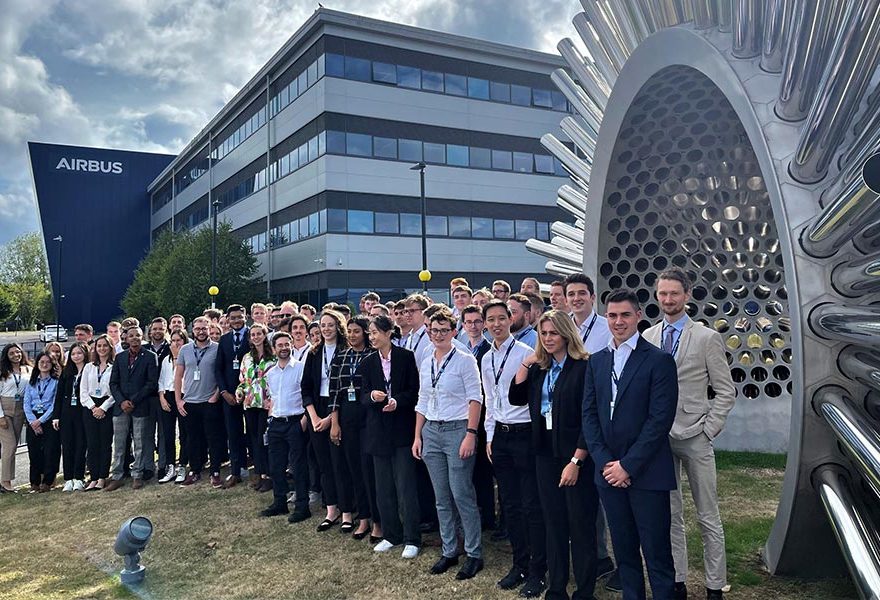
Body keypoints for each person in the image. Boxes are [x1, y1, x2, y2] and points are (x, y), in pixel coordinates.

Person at [644, 269, 736, 600]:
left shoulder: (707, 338)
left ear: (687, 295)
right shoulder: (649, 337)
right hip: (659, 439)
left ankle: (715, 586)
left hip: (696, 435)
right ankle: (677, 581)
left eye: (674, 293)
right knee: (670, 514)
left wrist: (710, 428)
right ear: (657, 296)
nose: (668, 299)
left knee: (708, 514)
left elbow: (726, 391)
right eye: (663, 294)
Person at [582, 288, 678, 600]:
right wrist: (605, 463)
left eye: (625, 314)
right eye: (612, 315)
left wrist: (628, 465)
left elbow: (659, 421)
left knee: (657, 553)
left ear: (638, 315)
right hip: (608, 473)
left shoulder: (659, 361)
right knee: (624, 553)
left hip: (646, 473)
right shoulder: (596, 361)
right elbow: (590, 416)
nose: (618, 321)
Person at [510, 310, 596, 600]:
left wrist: (576, 460)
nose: (548, 338)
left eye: (553, 333)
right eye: (543, 333)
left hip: (575, 457)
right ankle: (556, 587)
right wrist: (527, 362)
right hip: (545, 454)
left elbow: (590, 418)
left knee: (580, 525)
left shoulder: (584, 367)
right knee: (553, 522)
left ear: (566, 333)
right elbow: (516, 397)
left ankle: (584, 590)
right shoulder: (540, 369)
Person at [481, 300, 546, 597]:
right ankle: (518, 564)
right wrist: (490, 437)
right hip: (502, 438)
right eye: (490, 319)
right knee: (510, 505)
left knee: (532, 505)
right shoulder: (486, 358)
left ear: (511, 319)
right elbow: (490, 401)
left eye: (501, 318)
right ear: (485, 324)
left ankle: (538, 570)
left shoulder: (527, 355)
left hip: (525, 435)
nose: (496, 324)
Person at [413, 309, 484, 579]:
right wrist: (417, 435)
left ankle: (474, 553)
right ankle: (450, 549)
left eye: (444, 330)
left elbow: (475, 399)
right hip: (432, 429)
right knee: (441, 498)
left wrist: (470, 433)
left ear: (454, 331)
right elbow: (421, 400)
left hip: (457, 430)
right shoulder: (426, 360)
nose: (439, 334)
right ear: (428, 331)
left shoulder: (465, 360)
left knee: (461, 494)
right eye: (434, 330)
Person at [563, 272, 615, 583]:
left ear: (592, 297)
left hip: (601, 418)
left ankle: (610, 557)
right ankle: (593, 555)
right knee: (581, 497)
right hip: (570, 419)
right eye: (572, 294)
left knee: (605, 496)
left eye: (582, 293)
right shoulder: (563, 327)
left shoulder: (606, 328)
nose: (577, 299)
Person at [359, 315, 421, 557]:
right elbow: (361, 395)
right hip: (377, 432)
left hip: (402, 429)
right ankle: (391, 535)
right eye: (370, 333)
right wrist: (372, 397)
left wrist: (398, 401)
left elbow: (414, 391)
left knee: (405, 487)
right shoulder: (367, 362)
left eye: (375, 332)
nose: (371, 337)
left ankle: (412, 538)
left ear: (388, 333)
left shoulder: (406, 358)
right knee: (383, 488)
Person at [302, 309, 350, 532]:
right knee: (324, 464)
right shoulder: (313, 353)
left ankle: (347, 511)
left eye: (331, 324)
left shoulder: (346, 351)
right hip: (317, 410)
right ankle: (331, 510)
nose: (326, 329)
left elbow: (347, 388)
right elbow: (306, 388)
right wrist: (313, 416)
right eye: (323, 325)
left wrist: (332, 418)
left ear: (338, 326)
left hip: (339, 410)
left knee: (340, 464)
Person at [329, 316, 376, 539]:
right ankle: (363, 518)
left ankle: (376, 519)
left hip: (368, 417)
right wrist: (334, 422)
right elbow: (335, 392)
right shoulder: (341, 356)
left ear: (366, 332)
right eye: (349, 331)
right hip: (346, 417)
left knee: (369, 469)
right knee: (354, 469)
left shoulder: (373, 355)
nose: (352, 335)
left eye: (357, 331)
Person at [261, 332, 311, 524]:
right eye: (279, 345)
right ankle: (279, 502)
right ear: (274, 349)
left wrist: (304, 422)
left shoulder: (300, 368)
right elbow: (272, 398)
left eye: (286, 344)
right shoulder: (271, 373)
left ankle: (302, 506)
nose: (283, 347)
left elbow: (308, 395)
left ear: (291, 345)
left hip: (295, 422)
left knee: (298, 467)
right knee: (276, 466)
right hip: (276, 423)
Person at [104, 327, 159, 492]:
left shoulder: (150, 357)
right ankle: (117, 476)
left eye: (138, 336)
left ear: (142, 337)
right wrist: (121, 401)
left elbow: (151, 383)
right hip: (120, 407)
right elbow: (113, 383)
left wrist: (133, 401)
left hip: (140, 405)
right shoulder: (120, 358)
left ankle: (137, 474)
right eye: (131, 336)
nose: (134, 338)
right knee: (119, 444)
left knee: (140, 442)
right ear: (125, 338)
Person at [175, 316, 223, 487]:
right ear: (192, 330)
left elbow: (221, 375)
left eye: (204, 328)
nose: (201, 331)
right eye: (198, 329)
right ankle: (195, 471)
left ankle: (215, 471)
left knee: (213, 438)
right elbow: (178, 375)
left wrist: (216, 395)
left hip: (210, 400)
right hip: (189, 402)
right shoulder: (185, 350)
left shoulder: (218, 348)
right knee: (192, 439)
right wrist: (179, 400)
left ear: (210, 329)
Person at [459, 305, 495, 531]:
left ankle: (489, 517)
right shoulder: (461, 351)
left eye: (477, 321)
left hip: (484, 418)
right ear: (462, 325)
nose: (473, 326)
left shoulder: (489, 350)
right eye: (468, 322)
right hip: (465, 416)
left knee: (484, 472)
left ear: (484, 324)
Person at [237, 323, 276, 493]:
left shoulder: (273, 357)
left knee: (264, 439)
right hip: (250, 403)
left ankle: (269, 475)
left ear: (265, 335)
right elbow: (243, 380)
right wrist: (239, 392)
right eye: (252, 334)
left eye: (259, 334)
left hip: (266, 404)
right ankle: (259, 473)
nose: (256, 337)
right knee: (254, 440)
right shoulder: (246, 357)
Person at [215, 304, 250, 488]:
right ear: (228, 320)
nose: (236, 320)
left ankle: (258, 471)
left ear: (246, 316)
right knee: (233, 433)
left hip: (251, 395)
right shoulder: (224, 339)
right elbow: (218, 368)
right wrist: (224, 392)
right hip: (229, 395)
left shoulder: (255, 335)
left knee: (253, 433)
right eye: (233, 318)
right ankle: (236, 471)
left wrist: (247, 392)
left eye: (239, 316)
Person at [52, 342, 89, 492]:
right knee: (67, 446)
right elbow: (59, 396)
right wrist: (56, 416)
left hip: (83, 412)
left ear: (85, 354)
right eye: (73, 354)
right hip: (66, 414)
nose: (76, 356)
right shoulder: (66, 373)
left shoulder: (90, 370)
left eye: (79, 353)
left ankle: (79, 477)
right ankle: (68, 478)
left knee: (81, 445)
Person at [81, 334, 115, 491]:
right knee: (92, 443)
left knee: (105, 444)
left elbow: (116, 390)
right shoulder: (89, 367)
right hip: (90, 408)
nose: (102, 348)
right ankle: (93, 477)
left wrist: (103, 408)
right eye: (99, 346)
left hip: (107, 407)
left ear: (110, 348)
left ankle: (102, 477)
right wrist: (93, 407)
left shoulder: (114, 366)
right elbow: (83, 391)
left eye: (105, 346)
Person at [23, 351, 61, 492]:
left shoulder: (56, 382)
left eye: (47, 362)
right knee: (34, 452)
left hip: (48, 419)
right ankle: (34, 482)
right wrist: (33, 421)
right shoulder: (31, 382)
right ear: (37, 364)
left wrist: (41, 420)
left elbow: (54, 404)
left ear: (52, 364)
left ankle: (48, 481)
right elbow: (26, 403)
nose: (44, 365)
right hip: (33, 419)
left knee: (50, 451)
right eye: (41, 362)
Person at [157, 329, 189, 484]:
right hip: (168, 396)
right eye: (173, 341)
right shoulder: (165, 360)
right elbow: (162, 380)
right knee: (168, 434)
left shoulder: (187, 358)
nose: (175, 344)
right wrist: (162, 397)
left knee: (184, 433)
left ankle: (182, 465)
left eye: (179, 340)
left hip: (183, 396)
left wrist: (177, 356)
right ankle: (170, 466)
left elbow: (180, 376)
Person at [0, 343, 32, 492]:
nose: (15, 355)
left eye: (17, 352)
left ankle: (8, 481)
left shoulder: (28, 369)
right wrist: (0, 416)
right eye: (11, 353)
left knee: (12, 447)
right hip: (5, 408)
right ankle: (5, 481)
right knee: (10, 445)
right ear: (6, 355)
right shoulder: (2, 371)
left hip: (20, 408)